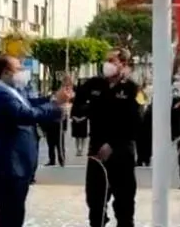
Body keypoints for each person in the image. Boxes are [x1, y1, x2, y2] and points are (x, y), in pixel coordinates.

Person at [0, 55, 72, 227]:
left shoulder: (12, 91)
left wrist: (54, 98)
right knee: (10, 216)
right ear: (6, 72)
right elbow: (27, 114)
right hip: (10, 167)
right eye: (19, 69)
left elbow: (30, 103)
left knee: (15, 214)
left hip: (18, 167)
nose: (23, 72)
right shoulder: (1, 96)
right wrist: (54, 107)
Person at [77, 48, 140, 227]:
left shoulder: (131, 88)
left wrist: (113, 145)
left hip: (122, 153)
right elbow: (78, 106)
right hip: (96, 151)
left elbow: (135, 123)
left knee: (124, 205)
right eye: (106, 60)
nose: (107, 64)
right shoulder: (93, 84)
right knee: (95, 203)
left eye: (112, 60)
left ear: (123, 64)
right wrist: (81, 112)